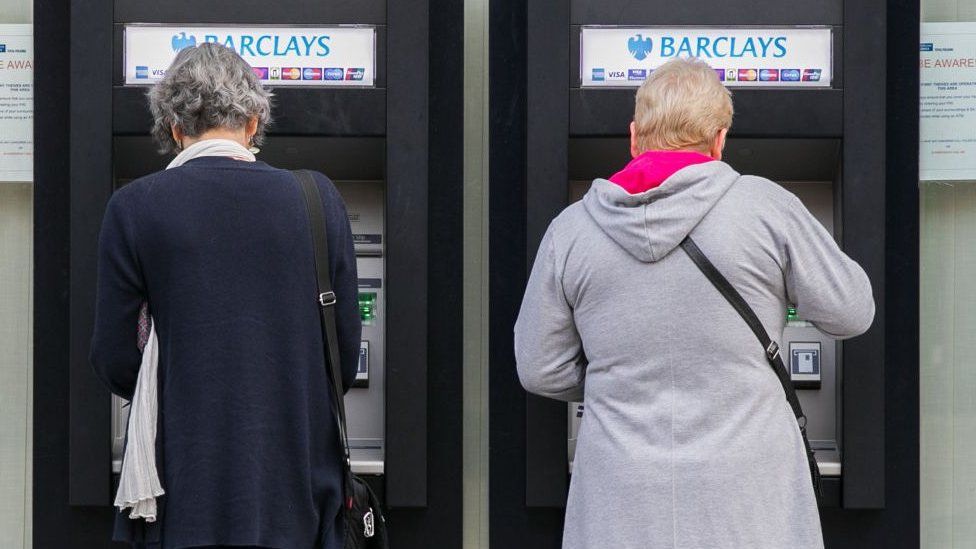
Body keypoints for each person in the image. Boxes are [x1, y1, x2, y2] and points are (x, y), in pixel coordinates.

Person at [514, 57, 874, 549]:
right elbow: (852, 311)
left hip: (619, 498)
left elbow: (539, 368)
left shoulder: (571, 231)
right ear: (718, 139)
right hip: (749, 500)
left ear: (635, 136)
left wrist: (617, 378)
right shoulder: (766, 209)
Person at [90, 43, 361, 549]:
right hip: (297, 488)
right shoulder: (317, 199)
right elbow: (341, 357)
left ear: (173, 129)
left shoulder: (133, 207)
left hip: (178, 488)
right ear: (255, 121)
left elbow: (113, 359)